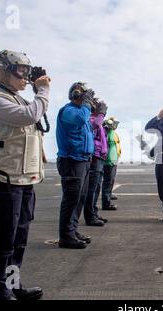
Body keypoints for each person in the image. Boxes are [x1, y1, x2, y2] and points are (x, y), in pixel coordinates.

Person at [0, 50, 50, 300]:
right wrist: (42, 91)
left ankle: (13, 285)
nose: (26, 76)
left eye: (28, 71)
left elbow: (34, 120)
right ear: (2, 71)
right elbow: (28, 116)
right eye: (21, 70)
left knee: (18, 240)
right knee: (3, 242)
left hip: (22, 182)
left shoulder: (19, 100)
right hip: (3, 182)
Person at [56, 82, 95, 249]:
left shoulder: (82, 112)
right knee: (71, 199)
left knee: (80, 198)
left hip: (83, 160)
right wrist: (86, 103)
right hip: (72, 160)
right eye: (87, 96)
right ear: (77, 94)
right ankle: (66, 236)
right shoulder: (69, 110)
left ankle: (72, 230)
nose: (89, 100)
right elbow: (79, 120)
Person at [81, 99, 109, 226]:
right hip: (95, 157)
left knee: (96, 187)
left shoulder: (97, 120)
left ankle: (94, 212)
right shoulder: (91, 118)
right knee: (91, 189)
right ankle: (90, 216)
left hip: (100, 157)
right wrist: (101, 113)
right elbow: (96, 124)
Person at [100, 117, 121, 210]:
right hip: (108, 162)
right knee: (108, 182)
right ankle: (106, 203)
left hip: (112, 161)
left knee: (110, 181)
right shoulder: (107, 133)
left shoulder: (111, 133)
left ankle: (108, 195)